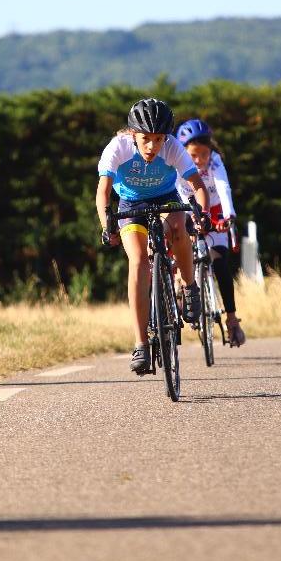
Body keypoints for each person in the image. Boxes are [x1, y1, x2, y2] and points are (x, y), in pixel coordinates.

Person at [96, 98, 210, 375]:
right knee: (138, 262)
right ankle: (140, 344)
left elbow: (197, 185)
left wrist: (202, 213)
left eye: (158, 139)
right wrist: (106, 226)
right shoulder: (118, 147)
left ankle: (189, 288)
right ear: (133, 135)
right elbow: (103, 192)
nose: (152, 146)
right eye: (145, 139)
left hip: (166, 198)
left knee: (179, 227)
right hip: (131, 204)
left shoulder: (173, 147)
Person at [175, 118, 245, 347]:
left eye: (203, 154)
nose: (199, 160)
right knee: (178, 248)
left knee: (221, 263)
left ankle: (232, 320)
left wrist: (229, 216)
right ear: (184, 152)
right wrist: (189, 218)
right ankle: (180, 284)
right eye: (193, 155)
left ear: (210, 150)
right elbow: (177, 191)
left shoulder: (215, 161)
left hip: (214, 211)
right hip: (187, 208)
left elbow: (223, 187)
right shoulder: (177, 163)